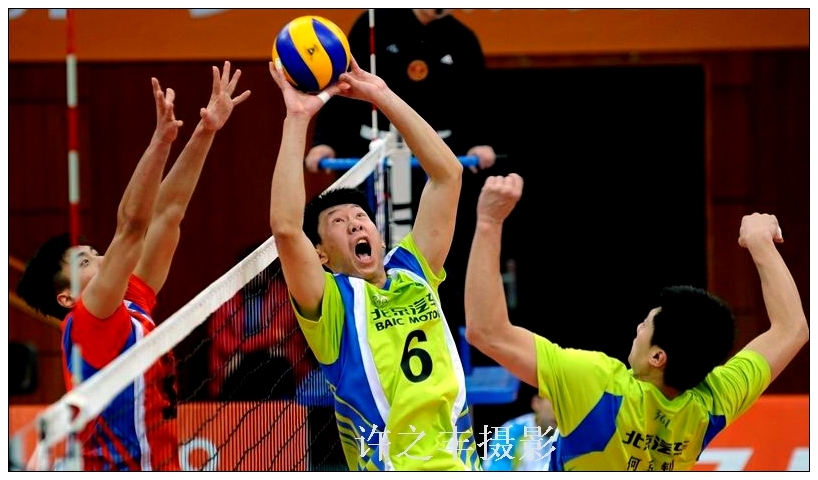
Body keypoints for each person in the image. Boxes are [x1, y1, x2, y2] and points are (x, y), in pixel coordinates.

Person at [463, 173, 809, 471]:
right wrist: (761, 244)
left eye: (647, 324)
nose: (638, 328)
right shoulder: (714, 400)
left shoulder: (596, 385)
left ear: (658, 357)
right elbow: (791, 329)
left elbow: (487, 332)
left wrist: (489, 222)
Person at [15, 62, 250, 471]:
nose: (103, 257)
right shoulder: (88, 323)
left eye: (94, 251)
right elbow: (131, 227)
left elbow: (168, 213)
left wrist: (205, 129)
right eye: (85, 260)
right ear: (67, 297)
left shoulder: (132, 303)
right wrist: (161, 141)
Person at [268, 56, 480, 471]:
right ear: (321, 254)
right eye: (338, 222)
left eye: (360, 216)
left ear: (379, 236)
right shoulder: (331, 303)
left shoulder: (414, 269)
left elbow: (448, 176)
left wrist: (382, 96)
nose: (354, 223)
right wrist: (296, 119)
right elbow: (287, 229)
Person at [304, 8, 498, 339]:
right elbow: (342, 83)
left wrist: (482, 141)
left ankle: (444, 336)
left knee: (443, 257)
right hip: (377, 162)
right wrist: (324, 141)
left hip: (433, 162)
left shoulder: (462, 39)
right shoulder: (373, 22)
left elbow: (478, 98)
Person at [208, 248, 315, 401]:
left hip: (276, 364)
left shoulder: (283, 295)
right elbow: (223, 343)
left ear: (267, 269)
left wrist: (244, 346)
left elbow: (278, 334)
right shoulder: (226, 301)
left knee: (273, 361)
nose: (253, 275)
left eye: (257, 269)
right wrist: (249, 348)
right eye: (248, 270)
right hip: (237, 368)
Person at [482, 394, 559, 471]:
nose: (559, 413)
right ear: (536, 403)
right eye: (555, 403)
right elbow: (496, 467)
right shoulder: (511, 432)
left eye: (563, 406)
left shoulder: (564, 437)